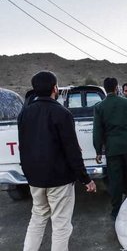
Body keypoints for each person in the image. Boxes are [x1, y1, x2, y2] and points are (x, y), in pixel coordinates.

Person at [18, 71, 96, 251]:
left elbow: (25, 146)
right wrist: (86, 178)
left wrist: (29, 174)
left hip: (35, 178)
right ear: (55, 88)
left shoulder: (25, 114)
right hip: (59, 180)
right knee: (61, 224)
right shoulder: (62, 113)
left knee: (37, 218)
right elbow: (72, 150)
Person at [93, 78, 127, 220]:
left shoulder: (99, 107)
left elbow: (97, 130)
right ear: (116, 88)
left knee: (115, 179)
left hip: (112, 148)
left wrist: (98, 150)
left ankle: (116, 211)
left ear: (105, 88)